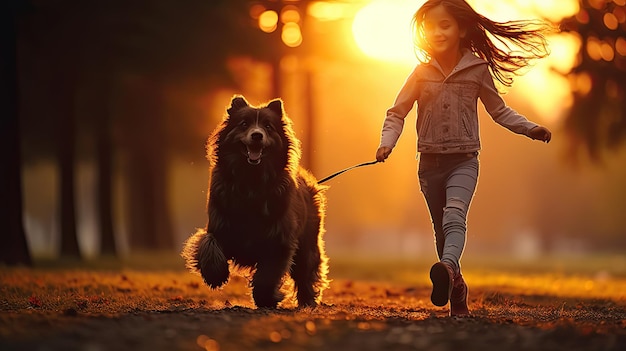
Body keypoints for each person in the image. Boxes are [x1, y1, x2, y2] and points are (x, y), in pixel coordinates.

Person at [375, 0, 552, 317]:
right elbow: (396, 113)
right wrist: (386, 143)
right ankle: (457, 286)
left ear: (462, 29)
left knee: (454, 217)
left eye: (445, 25)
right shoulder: (420, 73)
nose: (437, 32)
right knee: (442, 232)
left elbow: (499, 111)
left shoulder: (477, 70)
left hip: (464, 161)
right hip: (429, 164)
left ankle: (446, 268)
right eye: (430, 26)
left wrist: (530, 128)